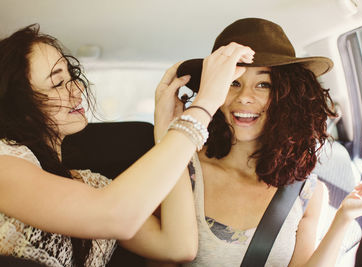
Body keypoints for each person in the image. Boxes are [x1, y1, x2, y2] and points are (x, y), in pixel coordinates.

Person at [0, 24, 255, 266]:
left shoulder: (92, 186)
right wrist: (205, 105)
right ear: (17, 105)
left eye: (72, 75)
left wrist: (165, 133)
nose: (77, 90)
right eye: (57, 83)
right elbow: (115, 216)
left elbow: (177, 245)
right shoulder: (4, 164)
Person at [167, 18, 362, 267]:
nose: (245, 98)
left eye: (263, 84)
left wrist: (345, 216)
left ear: (286, 95)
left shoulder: (307, 191)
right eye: (233, 83)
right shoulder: (182, 170)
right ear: (214, 90)